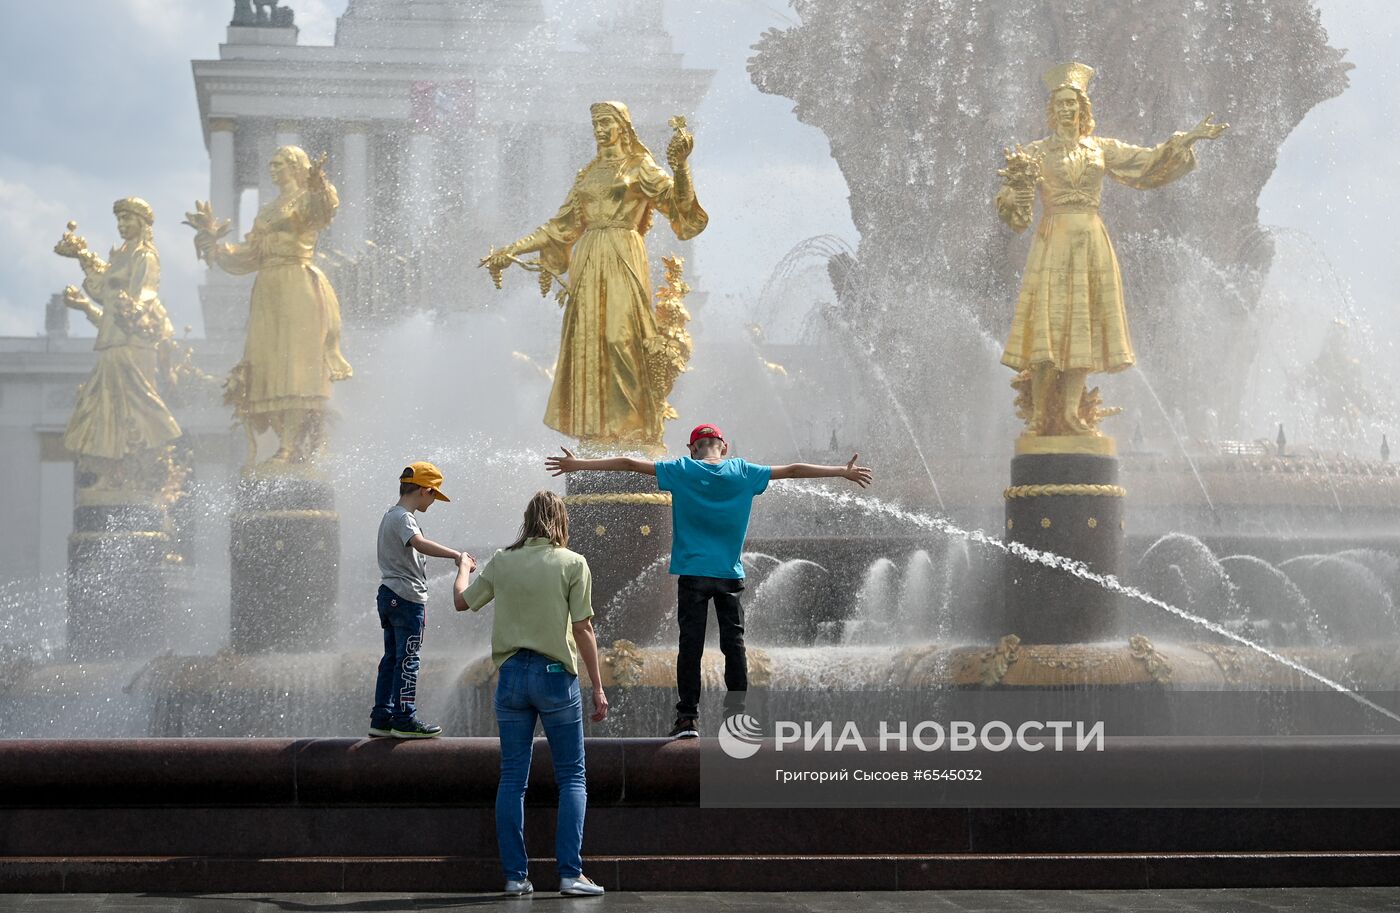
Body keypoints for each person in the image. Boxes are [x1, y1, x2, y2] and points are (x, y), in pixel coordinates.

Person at [546, 424, 873, 739]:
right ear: (724, 446)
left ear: (692, 448)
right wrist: (840, 472)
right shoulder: (744, 472)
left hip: (693, 574)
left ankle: (687, 717)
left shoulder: (682, 469)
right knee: (735, 646)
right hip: (730, 576)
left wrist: (579, 464)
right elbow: (793, 470)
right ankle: (736, 718)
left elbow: (629, 463)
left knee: (690, 647)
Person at [997, 61, 1227, 437]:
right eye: (1061, 103)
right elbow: (1015, 209)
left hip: (1091, 241)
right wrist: (1012, 195)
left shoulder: (1101, 149)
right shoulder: (1036, 153)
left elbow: (1147, 162)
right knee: (1049, 329)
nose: (1067, 109)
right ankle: (1040, 417)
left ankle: (1071, 414)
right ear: (1052, 110)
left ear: (1083, 109)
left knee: (1081, 330)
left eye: (1074, 102)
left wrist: (1185, 139)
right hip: (1053, 239)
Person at [480, 101, 707, 450]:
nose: (599, 130)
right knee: (590, 344)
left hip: (623, 252)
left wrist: (680, 168)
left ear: (623, 126)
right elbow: (560, 226)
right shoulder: (588, 174)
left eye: (606, 123)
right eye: (595, 124)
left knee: (622, 340)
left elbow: (679, 210)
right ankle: (599, 432)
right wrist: (512, 250)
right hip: (587, 260)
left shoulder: (639, 166)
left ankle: (635, 430)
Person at [454, 491, 608, 897]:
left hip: (510, 677)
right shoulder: (573, 563)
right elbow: (583, 630)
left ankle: (515, 876)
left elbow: (462, 602)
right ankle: (571, 874)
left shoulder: (503, 561)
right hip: (556, 675)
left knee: (512, 778)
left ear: (527, 520)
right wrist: (597, 686)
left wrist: (464, 567)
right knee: (572, 776)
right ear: (560, 519)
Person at [197, 145, 354, 466]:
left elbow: (324, 210)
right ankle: (285, 444)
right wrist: (216, 247)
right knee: (268, 366)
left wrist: (320, 183)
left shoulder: (306, 199)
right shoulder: (268, 210)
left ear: (296, 167)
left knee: (295, 367)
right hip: (268, 289)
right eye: (270, 163)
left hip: (298, 284)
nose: (272, 169)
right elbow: (251, 255)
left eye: (279, 163)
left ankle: (290, 447)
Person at [54, 198, 182, 493]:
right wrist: (85, 304)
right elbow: (107, 301)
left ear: (142, 222)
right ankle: (113, 474)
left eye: (127, 219)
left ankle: (140, 469)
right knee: (103, 409)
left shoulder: (144, 256)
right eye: (119, 220)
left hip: (135, 343)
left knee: (134, 406)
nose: (122, 225)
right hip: (114, 342)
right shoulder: (121, 255)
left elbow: (144, 295)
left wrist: (133, 308)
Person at [371, 462, 466, 739]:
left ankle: (381, 717)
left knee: (391, 658)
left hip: (389, 594)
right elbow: (419, 543)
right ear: (425, 490)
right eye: (435, 495)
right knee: (408, 659)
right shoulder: (404, 518)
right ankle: (404, 719)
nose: (434, 501)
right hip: (406, 597)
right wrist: (456, 556)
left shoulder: (390, 515)